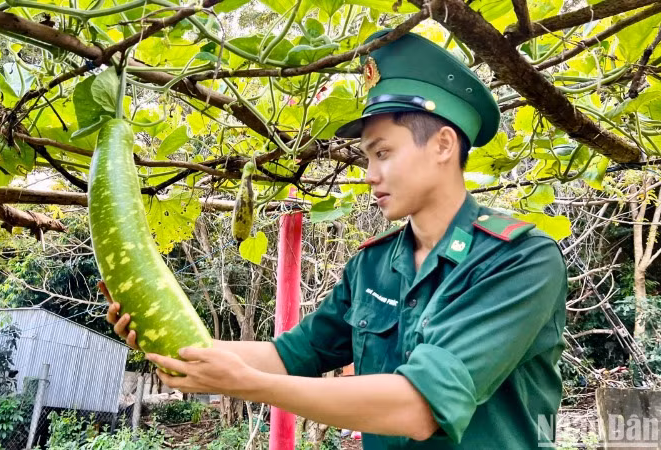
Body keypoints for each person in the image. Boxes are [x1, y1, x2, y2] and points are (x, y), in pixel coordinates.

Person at [102, 31, 567, 449]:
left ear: (444, 145)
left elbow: (418, 409)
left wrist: (245, 384)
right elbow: (286, 357)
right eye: (367, 157)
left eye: (383, 153)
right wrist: (163, 339)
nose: (370, 176)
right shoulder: (373, 264)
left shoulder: (520, 260)